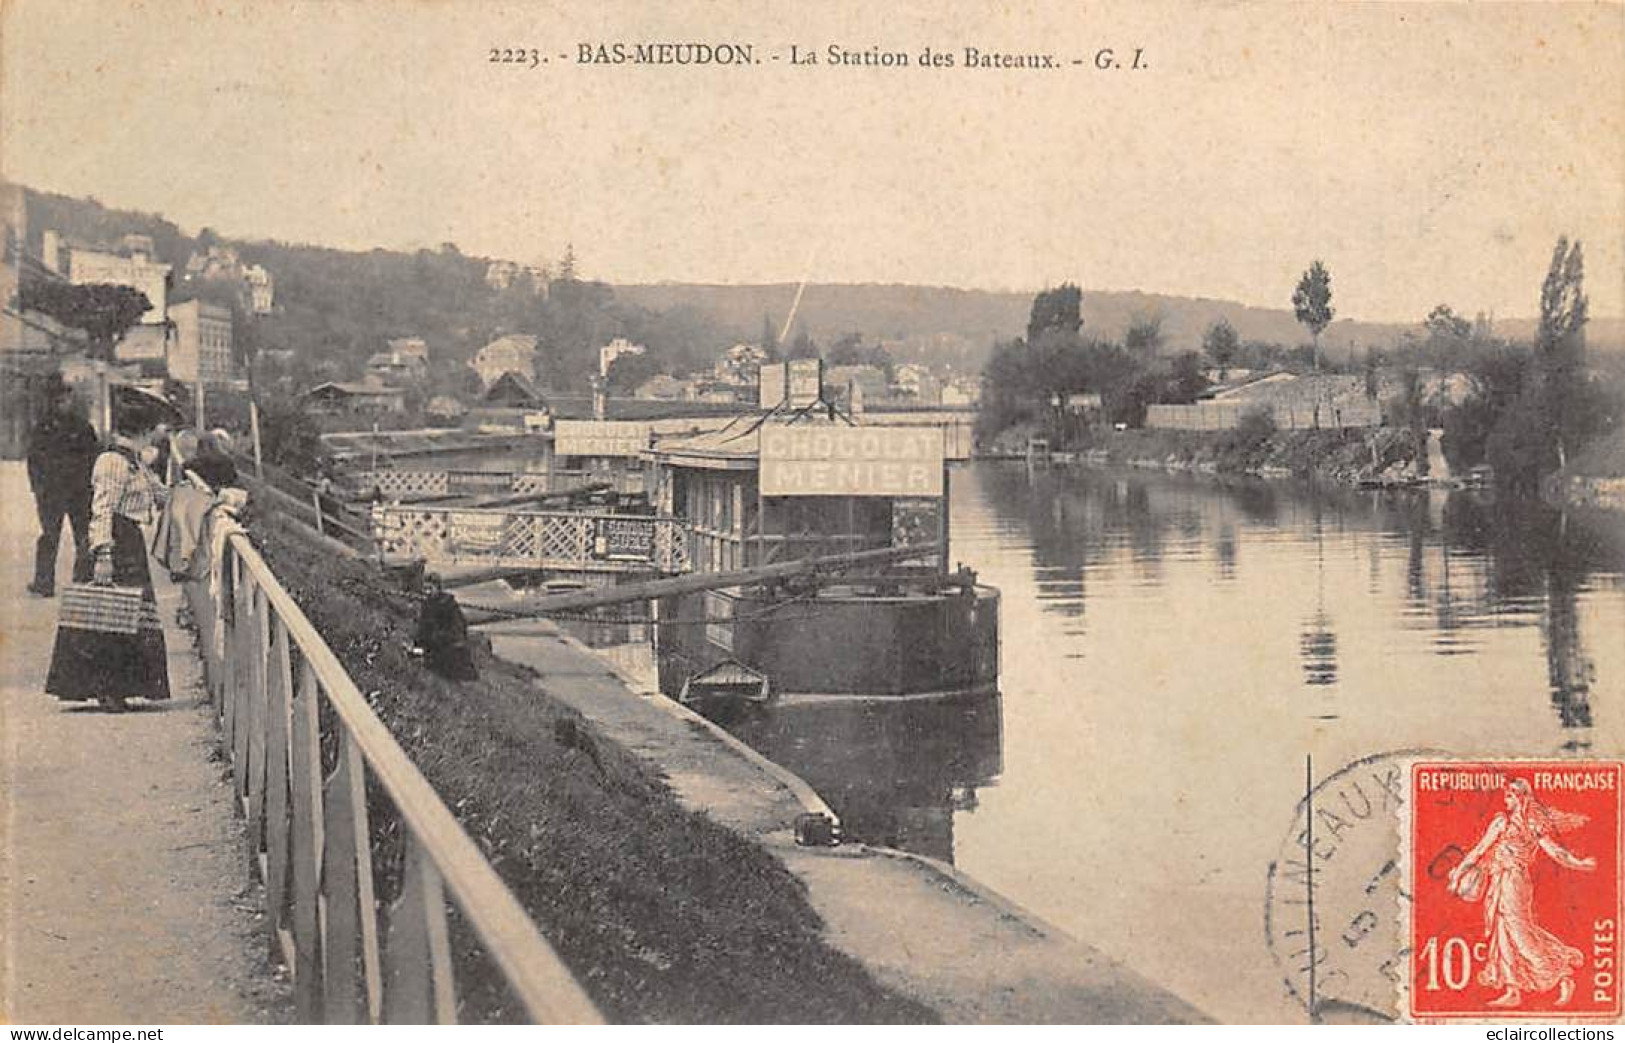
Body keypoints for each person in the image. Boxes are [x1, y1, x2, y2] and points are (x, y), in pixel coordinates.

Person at [44, 401, 173, 712]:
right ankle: (108, 689)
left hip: (130, 542)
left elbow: (161, 494)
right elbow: (102, 509)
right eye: (152, 432)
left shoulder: (134, 462)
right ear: (140, 432)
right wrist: (103, 554)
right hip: (115, 540)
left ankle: (119, 687)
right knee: (109, 613)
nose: (156, 438)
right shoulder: (112, 462)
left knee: (127, 614)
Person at [1447, 778, 1597, 1007]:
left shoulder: (1532, 823)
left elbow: (1555, 851)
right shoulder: (1500, 822)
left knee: (1519, 932)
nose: (1506, 800)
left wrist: (1580, 863)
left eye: (1510, 795)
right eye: (1506, 795)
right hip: (1498, 880)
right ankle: (1512, 990)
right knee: (1502, 931)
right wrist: (1458, 873)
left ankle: (1560, 974)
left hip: (1516, 881)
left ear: (1521, 798)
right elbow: (1479, 850)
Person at [25, 383, 99, 597]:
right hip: (51, 494)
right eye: (59, 400)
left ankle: (83, 580)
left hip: (79, 493)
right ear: (53, 402)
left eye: (66, 399)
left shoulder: (83, 427)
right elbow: (34, 460)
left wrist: (91, 486)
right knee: (49, 537)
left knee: (84, 536)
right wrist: (37, 488)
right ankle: (44, 583)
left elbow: (94, 457)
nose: (63, 404)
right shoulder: (43, 428)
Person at [411, 573, 478, 681]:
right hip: (436, 643)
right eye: (425, 589)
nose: (427, 592)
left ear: (438, 588)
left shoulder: (449, 605)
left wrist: (436, 637)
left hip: (450, 646)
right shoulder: (427, 605)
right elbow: (424, 627)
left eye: (430, 588)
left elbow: (456, 631)